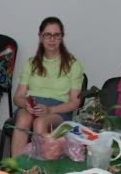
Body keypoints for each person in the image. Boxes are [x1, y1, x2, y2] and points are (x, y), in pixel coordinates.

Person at [11, 17, 84, 157]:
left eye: (56, 35)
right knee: (23, 119)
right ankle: (17, 169)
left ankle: (39, 170)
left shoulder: (73, 64)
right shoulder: (31, 63)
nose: (52, 39)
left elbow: (75, 102)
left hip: (58, 109)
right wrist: (26, 105)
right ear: (40, 36)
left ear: (62, 37)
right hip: (32, 105)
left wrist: (50, 109)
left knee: (40, 123)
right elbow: (18, 97)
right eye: (47, 35)